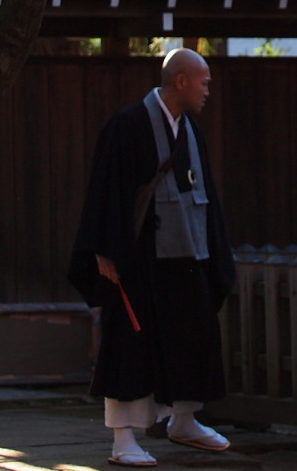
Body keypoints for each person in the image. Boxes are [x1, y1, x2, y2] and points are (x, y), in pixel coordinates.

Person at [69, 48, 236, 466]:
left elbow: (207, 198)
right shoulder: (127, 125)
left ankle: (184, 418)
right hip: (138, 258)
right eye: (204, 82)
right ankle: (123, 438)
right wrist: (103, 250)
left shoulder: (190, 131)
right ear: (180, 81)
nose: (208, 91)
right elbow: (103, 191)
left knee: (192, 333)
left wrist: (215, 254)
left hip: (185, 255)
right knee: (130, 344)